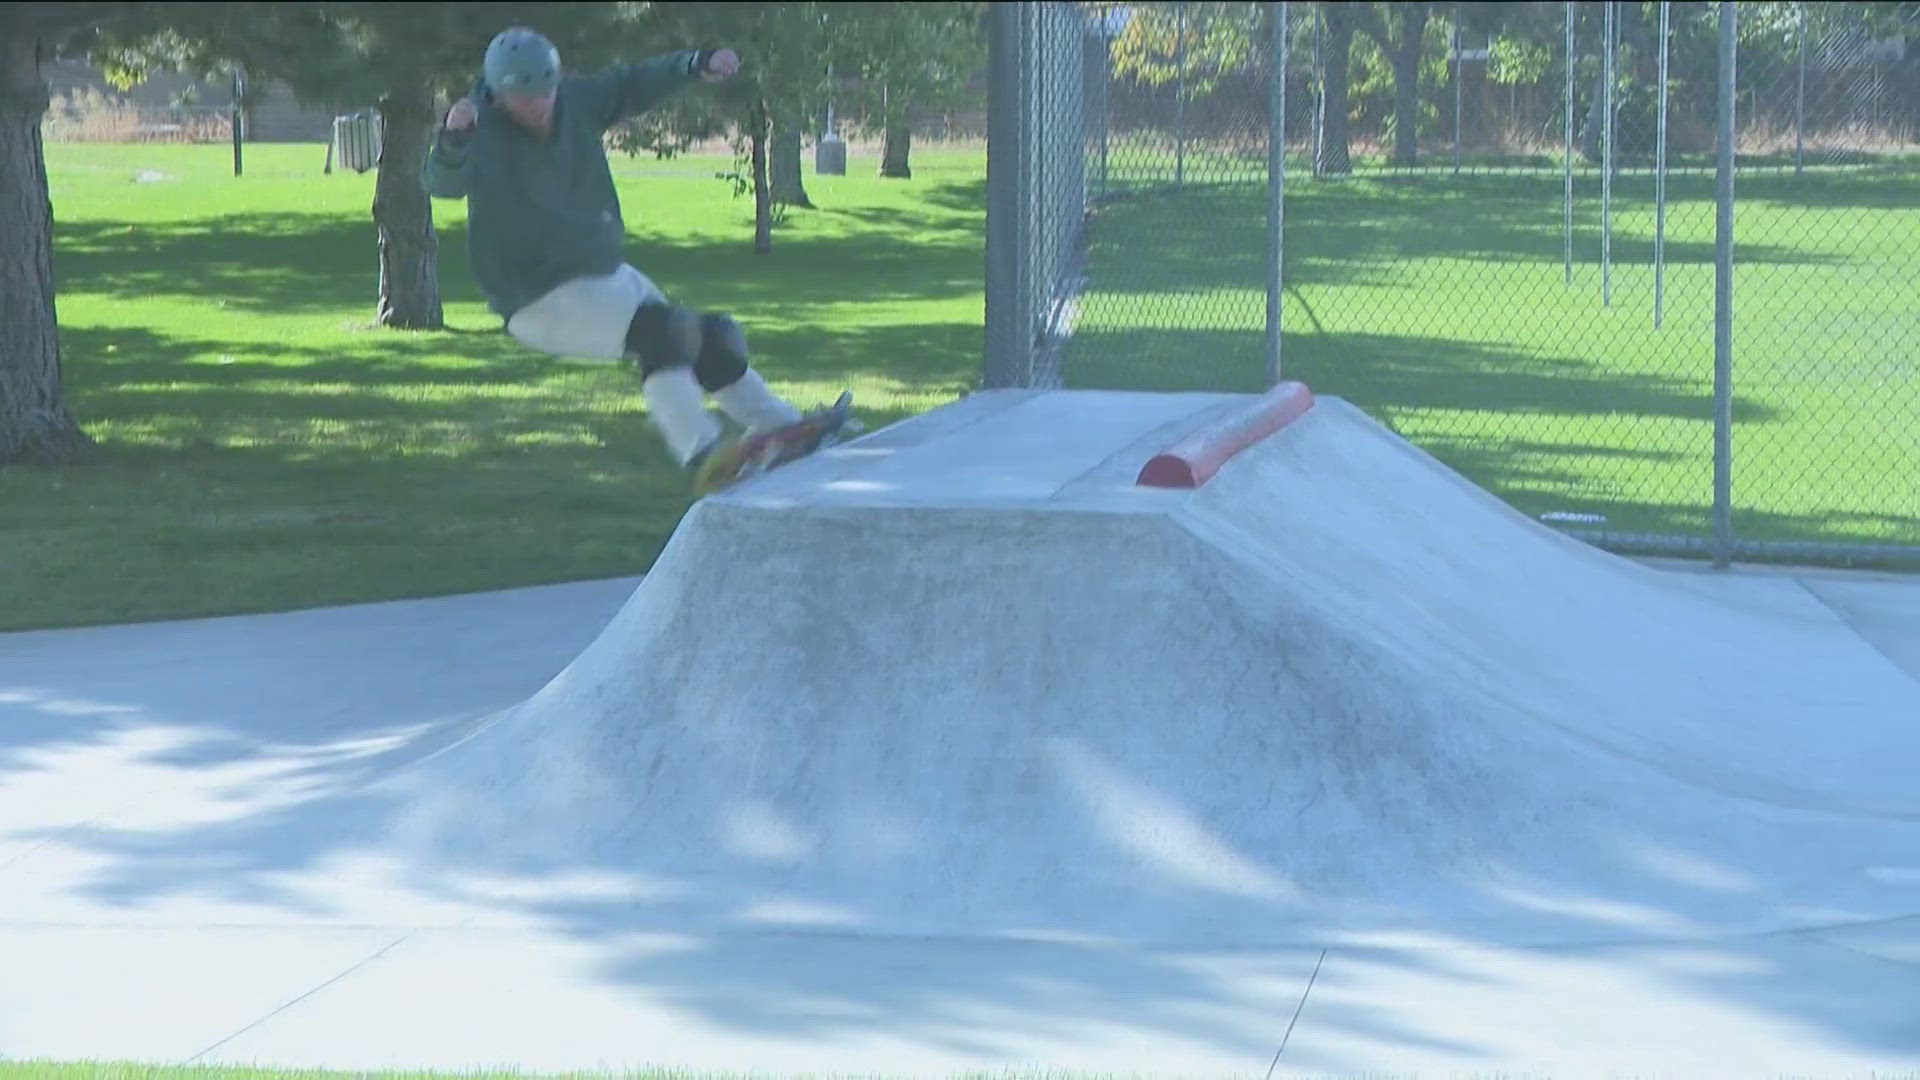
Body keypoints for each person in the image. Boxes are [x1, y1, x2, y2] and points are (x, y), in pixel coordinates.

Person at [423, 26, 811, 488]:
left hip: (603, 276)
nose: (541, 107)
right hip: (539, 298)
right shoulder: (479, 131)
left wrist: (694, 64)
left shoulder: (574, 102)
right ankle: (702, 454)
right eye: (526, 100)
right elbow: (441, 185)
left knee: (710, 337)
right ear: (499, 95)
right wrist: (452, 140)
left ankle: (779, 426)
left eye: (546, 93)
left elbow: (632, 83)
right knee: (663, 334)